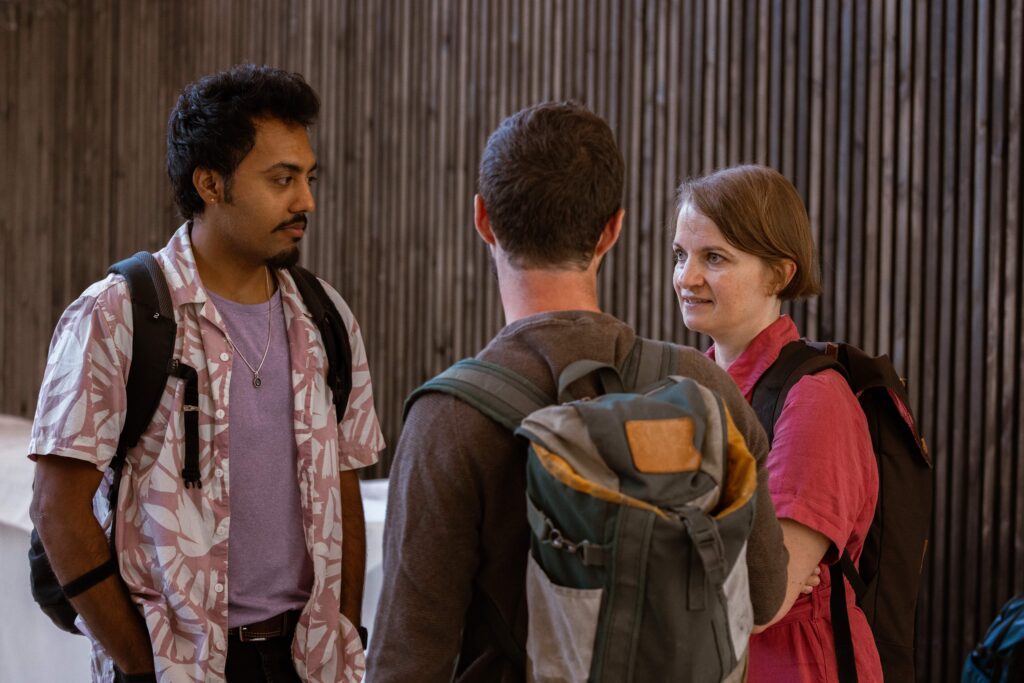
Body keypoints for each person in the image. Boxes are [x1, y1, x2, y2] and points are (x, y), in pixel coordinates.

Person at [367, 101, 789, 682]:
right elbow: (763, 597)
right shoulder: (703, 385)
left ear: (482, 219)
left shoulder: (450, 417)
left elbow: (407, 662)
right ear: (613, 229)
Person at [28, 64, 385, 683]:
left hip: (311, 662)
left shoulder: (325, 316)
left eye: (308, 177)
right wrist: (141, 667)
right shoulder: (117, 314)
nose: (306, 200)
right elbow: (56, 509)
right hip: (180, 666)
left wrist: (346, 631)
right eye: (282, 179)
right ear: (210, 183)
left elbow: (344, 478)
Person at [671, 163, 883, 682]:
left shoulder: (815, 401)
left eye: (714, 257)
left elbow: (760, 599)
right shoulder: (685, 390)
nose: (686, 277)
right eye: (680, 255)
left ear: (779, 275)